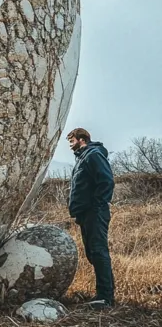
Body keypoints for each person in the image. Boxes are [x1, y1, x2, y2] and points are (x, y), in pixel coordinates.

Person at [67, 127, 115, 308]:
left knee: (98, 251)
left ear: (82, 139)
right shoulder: (82, 158)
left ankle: (105, 297)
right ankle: (103, 295)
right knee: (93, 253)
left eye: (72, 141)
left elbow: (107, 181)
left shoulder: (93, 155)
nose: (70, 145)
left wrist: (97, 205)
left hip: (94, 212)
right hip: (85, 213)